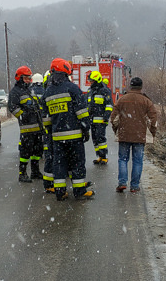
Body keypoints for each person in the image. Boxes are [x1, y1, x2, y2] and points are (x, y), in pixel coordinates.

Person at [43, 58, 94, 201]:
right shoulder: (72, 88)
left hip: (57, 137)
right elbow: (82, 112)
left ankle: (60, 192)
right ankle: (79, 191)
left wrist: (50, 131)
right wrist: (85, 129)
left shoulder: (48, 92)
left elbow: (46, 119)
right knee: (77, 163)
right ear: (66, 72)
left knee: (59, 164)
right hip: (74, 136)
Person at [109, 76, 158, 193]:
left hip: (124, 134)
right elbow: (153, 119)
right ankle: (135, 186)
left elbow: (113, 118)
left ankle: (122, 183)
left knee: (123, 159)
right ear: (141, 87)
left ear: (130, 86)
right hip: (139, 135)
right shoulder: (146, 101)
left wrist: (116, 129)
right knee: (137, 161)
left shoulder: (122, 99)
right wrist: (152, 132)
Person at [8, 65, 43, 183]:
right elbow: (12, 107)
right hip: (27, 128)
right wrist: (23, 115)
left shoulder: (29, 90)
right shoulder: (15, 92)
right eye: (26, 78)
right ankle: (22, 173)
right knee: (25, 152)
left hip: (37, 126)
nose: (29, 81)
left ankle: (35, 171)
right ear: (20, 78)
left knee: (37, 151)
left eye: (29, 78)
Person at [86, 70, 113, 165]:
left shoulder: (104, 91)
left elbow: (109, 105)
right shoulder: (90, 91)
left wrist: (106, 117)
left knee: (100, 138)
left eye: (92, 81)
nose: (90, 83)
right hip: (92, 120)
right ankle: (99, 156)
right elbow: (87, 105)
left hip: (101, 120)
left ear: (97, 80)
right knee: (95, 138)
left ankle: (104, 156)